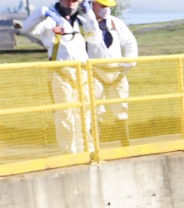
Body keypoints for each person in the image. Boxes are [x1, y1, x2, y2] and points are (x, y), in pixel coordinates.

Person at [15, 0, 97, 154]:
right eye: (69, 0)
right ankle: (69, 151)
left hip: (83, 71)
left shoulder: (81, 19)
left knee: (85, 111)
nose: (72, 4)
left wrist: (90, 15)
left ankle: (87, 148)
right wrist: (42, 12)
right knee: (64, 112)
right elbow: (27, 28)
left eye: (75, 1)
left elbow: (94, 38)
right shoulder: (50, 18)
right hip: (61, 71)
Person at [84, 0, 139, 145]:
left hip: (117, 73)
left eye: (108, 6)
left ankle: (125, 143)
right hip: (95, 72)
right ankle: (95, 146)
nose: (106, 9)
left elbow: (130, 43)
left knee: (121, 107)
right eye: (102, 6)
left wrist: (128, 64)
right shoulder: (85, 23)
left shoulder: (116, 23)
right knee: (95, 109)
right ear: (93, 5)